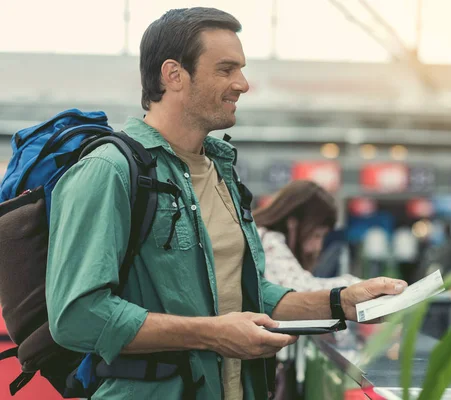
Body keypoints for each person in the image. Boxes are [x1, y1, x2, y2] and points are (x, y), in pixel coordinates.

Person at [45, 7, 407, 400]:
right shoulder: (109, 170)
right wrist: (213, 334)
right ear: (174, 75)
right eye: (226, 69)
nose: (243, 84)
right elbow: (76, 318)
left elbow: (249, 293)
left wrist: (340, 302)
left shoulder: (222, 174)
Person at [254, 180, 361, 292]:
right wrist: (354, 284)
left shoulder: (260, 235)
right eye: (316, 235)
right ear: (292, 223)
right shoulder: (267, 239)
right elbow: (298, 289)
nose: (318, 246)